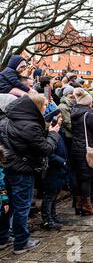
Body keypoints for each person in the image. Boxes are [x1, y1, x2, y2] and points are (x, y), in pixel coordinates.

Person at [0, 94, 60, 254]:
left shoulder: (7, 119)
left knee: (8, 205)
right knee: (22, 206)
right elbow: (45, 149)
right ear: (36, 106)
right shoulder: (30, 125)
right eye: (45, 105)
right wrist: (54, 133)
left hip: (8, 167)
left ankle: (3, 238)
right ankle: (21, 242)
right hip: (23, 170)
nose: (46, 108)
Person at [70, 88, 93, 216]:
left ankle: (78, 205)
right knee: (86, 179)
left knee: (78, 178)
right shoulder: (89, 115)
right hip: (87, 149)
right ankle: (87, 206)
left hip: (75, 149)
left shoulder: (74, 112)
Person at [40, 112, 68, 230]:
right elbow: (49, 153)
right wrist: (62, 161)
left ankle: (53, 216)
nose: (61, 119)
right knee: (49, 196)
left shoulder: (59, 131)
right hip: (52, 169)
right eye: (59, 117)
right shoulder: (48, 133)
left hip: (59, 169)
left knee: (54, 194)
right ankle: (47, 220)